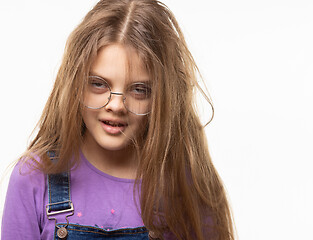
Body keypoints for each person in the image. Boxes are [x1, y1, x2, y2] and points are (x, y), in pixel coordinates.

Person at [1, 0, 235, 239]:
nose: (115, 105)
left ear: (162, 98)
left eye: (138, 90)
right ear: (75, 85)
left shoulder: (186, 185)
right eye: (99, 84)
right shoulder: (34, 177)